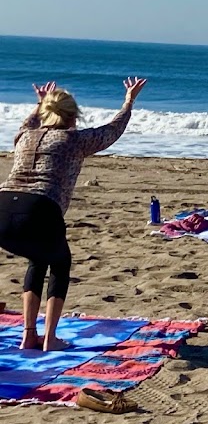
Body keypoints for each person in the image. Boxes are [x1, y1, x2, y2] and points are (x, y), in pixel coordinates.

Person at [0, 77, 146, 351]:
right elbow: (112, 130)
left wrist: (39, 105)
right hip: (39, 209)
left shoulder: (23, 137)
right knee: (60, 264)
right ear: (73, 117)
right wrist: (129, 101)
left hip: (2, 207)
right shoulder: (75, 140)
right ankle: (50, 339)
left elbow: (29, 123)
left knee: (38, 258)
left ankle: (28, 335)